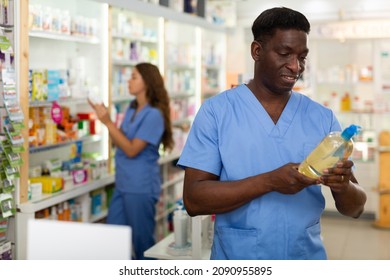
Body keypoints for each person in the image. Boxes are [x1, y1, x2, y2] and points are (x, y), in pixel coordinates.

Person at [177, 7, 367, 260]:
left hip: (304, 258)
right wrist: (269, 182)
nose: (295, 66)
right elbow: (193, 200)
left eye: (302, 57)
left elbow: (355, 209)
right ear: (257, 51)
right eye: (284, 53)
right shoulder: (217, 112)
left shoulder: (322, 118)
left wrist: (343, 187)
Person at [88, 62, 174, 260]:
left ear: (147, 82)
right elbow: (120, 140)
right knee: (113, 240)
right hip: (123, 184)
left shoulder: (154, 115)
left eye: (134, 77)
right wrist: (107, 123)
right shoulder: (132, 108)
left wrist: (108, 122)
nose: (129, 80)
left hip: (140, 186)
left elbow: (132, 149)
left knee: (142, 243)